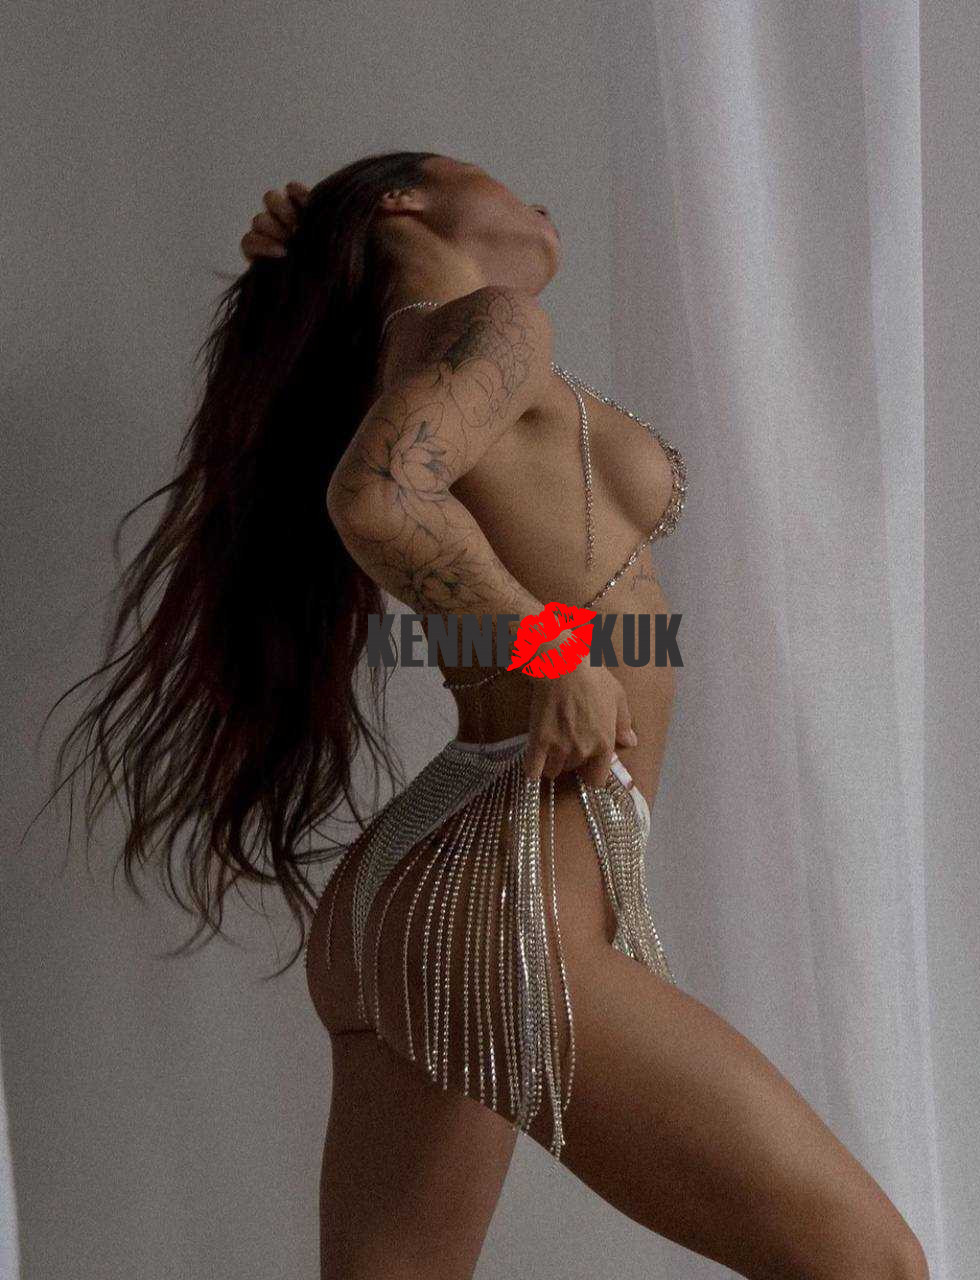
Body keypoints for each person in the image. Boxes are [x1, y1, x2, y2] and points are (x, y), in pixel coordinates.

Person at [50, 152, 929, 1280]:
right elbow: (376, 496)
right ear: (405, 200)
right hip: (503, 894)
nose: (538, 198)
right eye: (494, 177)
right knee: (871, 1264)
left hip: (416, 896)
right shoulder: (492, 322)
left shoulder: (406, 351)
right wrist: (549, 645)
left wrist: (318, 236)